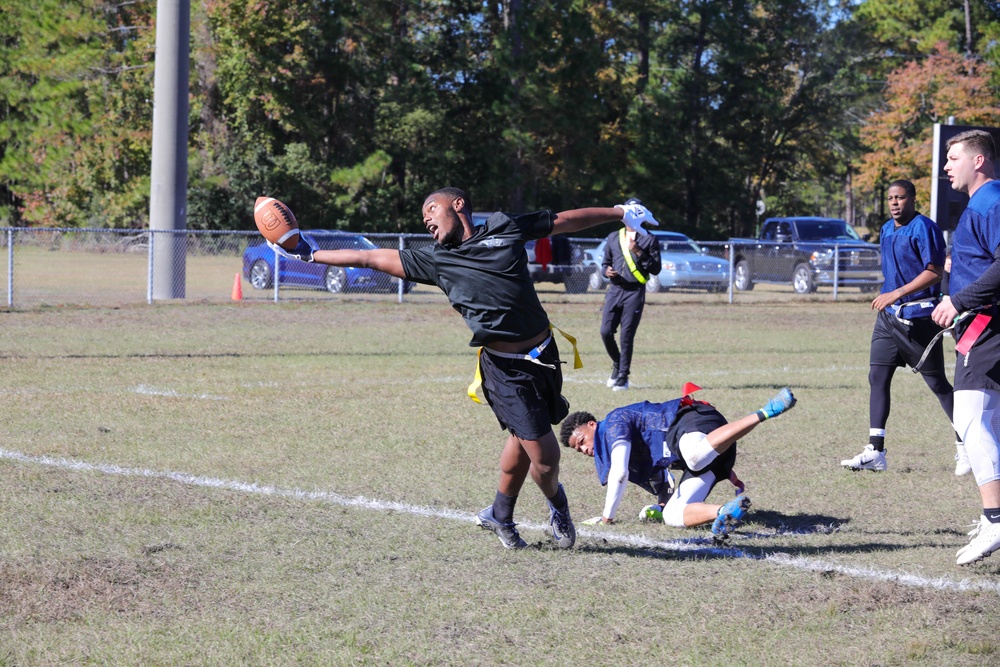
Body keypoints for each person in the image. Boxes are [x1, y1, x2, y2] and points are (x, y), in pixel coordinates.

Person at [267, 187, 659, 550]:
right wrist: (309, 253)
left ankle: (500, 515)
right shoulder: (436, 259)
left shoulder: (504, 228)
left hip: (545, 353)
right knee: (545, 457)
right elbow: (371, 257)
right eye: (423, 217)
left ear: (458, 205)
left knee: (522, 440)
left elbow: (564, 220)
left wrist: (620, 212)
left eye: (431, 209)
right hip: (504, 369)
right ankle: (559, 506)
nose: (426, 219)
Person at [557, 384, 796, 543]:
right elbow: (660, 480)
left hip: (692, 421)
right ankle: (724, 512)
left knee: (693, 455)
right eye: (578, 450)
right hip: (710, 453)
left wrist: (607, 517)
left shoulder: (613, 422)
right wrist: (662, 505)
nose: (584, 449)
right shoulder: (615, 444)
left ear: (591, 424)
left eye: (581, 442)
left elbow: (619, 472)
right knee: (672, 515)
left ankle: (766, 411)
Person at [839, 180, 966, 474]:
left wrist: (897, 293)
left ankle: (966, 446)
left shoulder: (924, 227)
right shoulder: (885, 229)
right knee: (877, 377)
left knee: (938, 385)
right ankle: (876, 451)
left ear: (912, 198)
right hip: (888, 319)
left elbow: (933, 273)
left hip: (918, 320)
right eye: (890, 198)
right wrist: (891, 295)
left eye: (900, 197)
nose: (895, 203)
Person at [930, 129, 1000, 565]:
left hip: (989, 327)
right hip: (984, 324)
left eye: (953, 157)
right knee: (987, 418)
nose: (946, 166)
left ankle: (995, 519)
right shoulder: (981, 204)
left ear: (978, 161)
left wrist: (959, 299)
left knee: (970, 416)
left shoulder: (991, 200)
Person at [600, 198, 662, 391]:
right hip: (615, 290)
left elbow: (656, 269)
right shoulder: (613, 237)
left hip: (635, 292)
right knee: (605, 332)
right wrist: (606, 272)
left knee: (626, 335)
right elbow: (605, 263)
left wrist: (639, 252)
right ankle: (618, 365)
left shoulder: (649, 239)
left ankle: (623, 377)